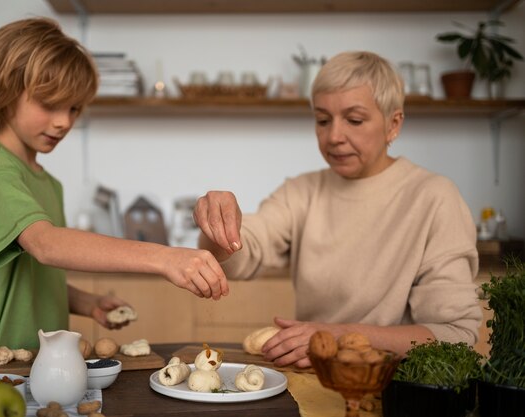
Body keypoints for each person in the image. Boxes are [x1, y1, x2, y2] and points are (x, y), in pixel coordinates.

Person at [0, 17, 228, 353]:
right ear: (4, 90)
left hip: (37, 363)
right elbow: (46, 245)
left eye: (74, 108)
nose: (64, 121)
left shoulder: (47, 182)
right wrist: (165, 258)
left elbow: (33, 276)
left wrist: (87, 302)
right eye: (50, 104)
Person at [193, 51, 482, 368]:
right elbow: (241, 256)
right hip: (313, 378)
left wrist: (336, 336)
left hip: (397, 387)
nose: (333, 137)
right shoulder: (301, 192)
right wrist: (216, 226)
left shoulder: (434, 197)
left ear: (393, 124)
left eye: (354, 120)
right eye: (322, 120)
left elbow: (454, 334)